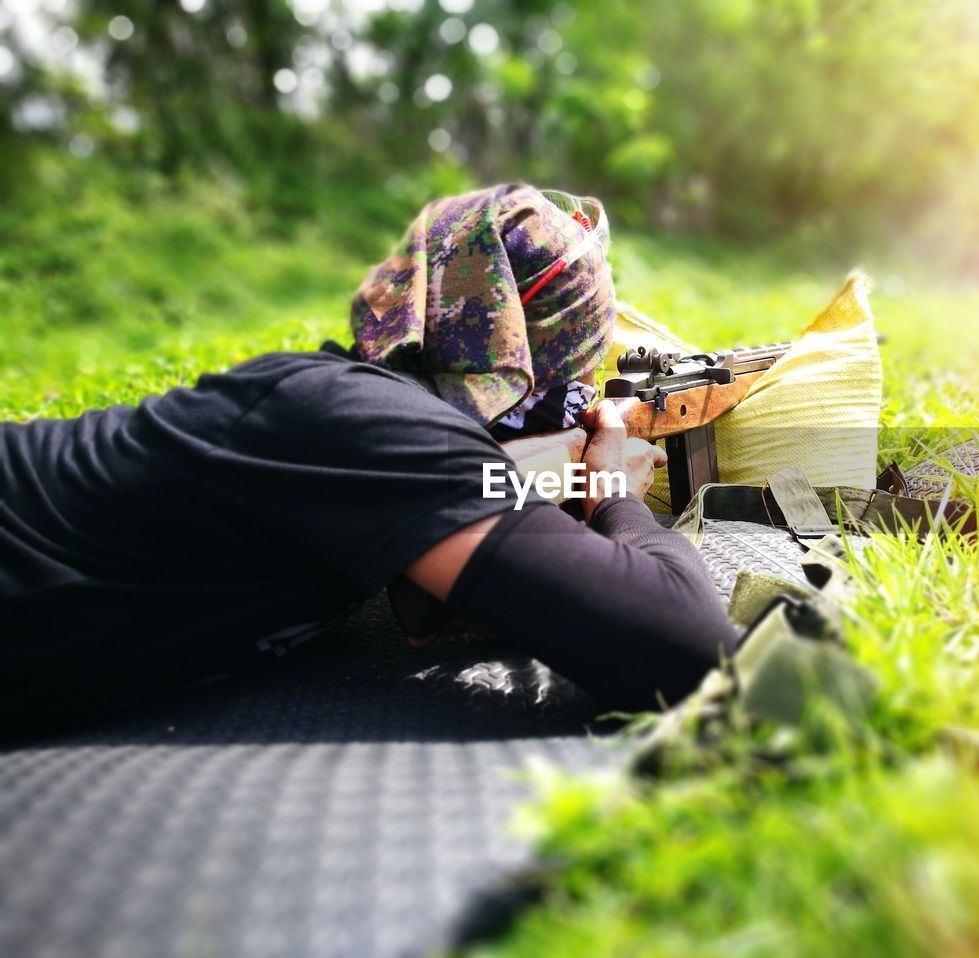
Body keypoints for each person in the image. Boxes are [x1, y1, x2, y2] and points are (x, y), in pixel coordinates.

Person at [0, 184, 736, 729]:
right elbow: (691, 648)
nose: (570, 400)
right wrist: (614, 490)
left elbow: (430, 612)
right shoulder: (374, 427)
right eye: (567, 377)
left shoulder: (358, 415)